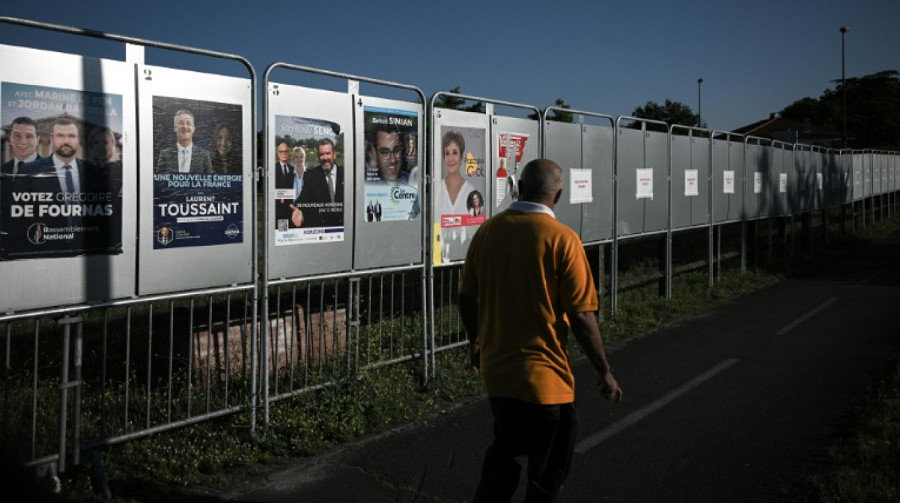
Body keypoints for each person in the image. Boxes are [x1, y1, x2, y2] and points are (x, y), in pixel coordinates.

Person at [458, 158, 622, 502]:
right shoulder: (563, 240)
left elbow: (466, 297)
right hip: (546, 383)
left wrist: (476, 341)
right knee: (545, 478)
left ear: (518, 188)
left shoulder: (487, 231)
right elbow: (581, 316)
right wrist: (603, 370)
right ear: (558, 196)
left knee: (503, 456)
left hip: (499, 376)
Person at [290, 138, 343, 228]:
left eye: (328, 153)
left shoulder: (346, 173)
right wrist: (299, 211)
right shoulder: (311, 176)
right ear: (318, 156)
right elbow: (302, 201)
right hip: (322, 231)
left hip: (344, 231)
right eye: (322, 154)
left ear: (334, 154)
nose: (325, 158)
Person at [156, 109, 212, 173]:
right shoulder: (165, 155)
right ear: (175, 128)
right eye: (181, 123)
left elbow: (209, 182)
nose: (185, 126)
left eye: (188, 123)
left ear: (193, 128)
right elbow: (159, 182)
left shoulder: (204, 156)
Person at [440, 131, 475, 215]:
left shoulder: (470, 191)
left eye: (455, 153)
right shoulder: (437, 189)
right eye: (447, 153)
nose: (450, 158)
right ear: (444, 158)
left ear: (461, 157)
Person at [273, 141, 295, 228]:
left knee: (289, 233)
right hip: (278, 208)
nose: (284, 154)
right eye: (281, 151)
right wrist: (280, 198)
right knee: (281, 232)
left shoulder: (293, 169)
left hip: (290, 207)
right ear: (278, 153)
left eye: (286, 151)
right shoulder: (273, 168)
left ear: (288, 153)